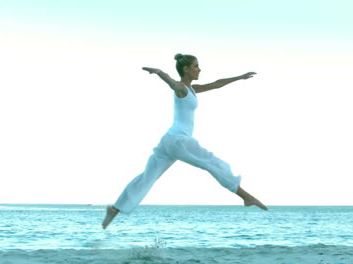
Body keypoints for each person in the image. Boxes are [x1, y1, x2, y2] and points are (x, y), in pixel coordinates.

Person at [102, 53, 267, 229]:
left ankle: (115, 209)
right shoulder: (181, 88)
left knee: (147, 177)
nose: (199, 69)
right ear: (186, 69)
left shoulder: (192, 89)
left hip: (169, 141)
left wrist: (239, 77)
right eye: (196, 66)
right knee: (211, 162)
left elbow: (216, 84)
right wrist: (160, 72)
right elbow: (172, 83)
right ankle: (246, 197)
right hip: (179, 140)